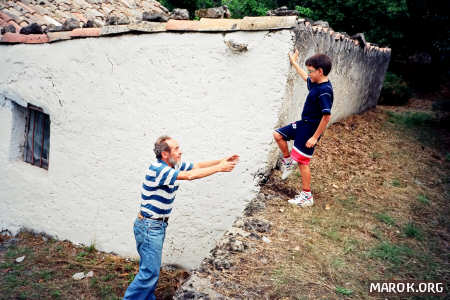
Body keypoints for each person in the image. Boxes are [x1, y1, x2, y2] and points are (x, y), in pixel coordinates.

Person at [123, 135, 239, 300]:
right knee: (149, 273)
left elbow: (196, 166)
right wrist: (220, 168)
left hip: (156, 226)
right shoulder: (159, 170)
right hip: (149, 226)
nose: (180, 151)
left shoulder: (173, 165)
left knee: (150, 270)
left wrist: (220, 161)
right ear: (165, 154)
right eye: (176, 148)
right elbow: (190, 176)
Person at [273, 50, 333, 207]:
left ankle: (307, 196)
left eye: (311, 71)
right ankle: (287, 161)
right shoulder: (316, 83)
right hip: (302, 124)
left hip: (310, 130)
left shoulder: (325, 91)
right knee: (278, 135)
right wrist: (294, 63)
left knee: (302, 162)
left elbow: (326, 117)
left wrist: (314, 137)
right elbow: (305, 77)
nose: (309, 74)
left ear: (320, 71)